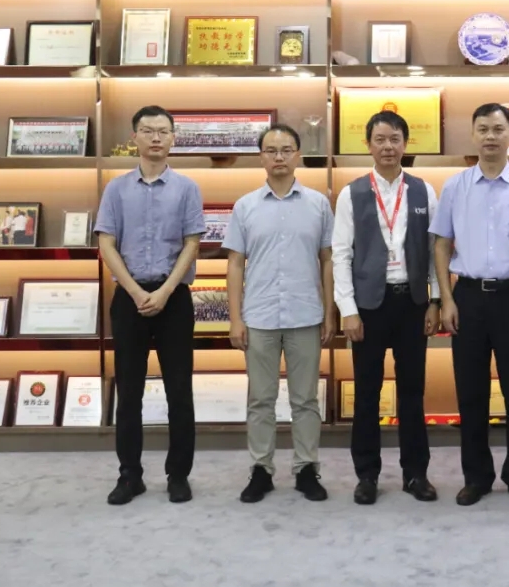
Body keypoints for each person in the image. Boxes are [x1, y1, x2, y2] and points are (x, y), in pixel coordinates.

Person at [431, 103, 509, 507]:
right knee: (471, 392)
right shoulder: (455, 187)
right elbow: (441, 244)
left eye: (498, 129)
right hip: (467, 297)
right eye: (483, 129)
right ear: (473, 134)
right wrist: (446, 298)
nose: (490, 136)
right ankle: (476, 476)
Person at [95, 104, 205, 506]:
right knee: (129, 390)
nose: (156, 137)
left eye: (163, 131)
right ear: (135, 137)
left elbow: (192, 243)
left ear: (173, 138)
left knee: (179, 390)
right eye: (147, 130)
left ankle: (179, 475)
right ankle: (130, 475)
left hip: (174, 298)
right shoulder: (116, 188)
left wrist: (164, 291)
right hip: (129, 299)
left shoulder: (187, 188)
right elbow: (107, 242)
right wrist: (136, 291)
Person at [332, 111, 441, 505]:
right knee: (367, 392)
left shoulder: (424, 191)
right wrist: (348, 309)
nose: (388, 147)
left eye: (395, 139)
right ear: (368, 145)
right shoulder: (352, 193)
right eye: (380, 139)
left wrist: (435, 300)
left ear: (406, 144)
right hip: (369, 306)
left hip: (412, 303)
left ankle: (416, 473)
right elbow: (341, 254)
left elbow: (434, 251)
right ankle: (367, 475)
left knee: (413, 392)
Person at [224, 124, 335, 504]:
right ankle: (261, 469)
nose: (279, 157)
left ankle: (306, 468)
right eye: (271, 150)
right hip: (260, 316)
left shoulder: (318, 204)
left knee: (306, 399)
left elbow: (327, 260)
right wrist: (235, 318)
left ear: (298, 155)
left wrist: (330, 312)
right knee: (261, 399)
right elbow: (235, 264)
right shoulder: (245, 206)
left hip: (306, 314)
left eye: (287, 150)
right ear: (261, 157)